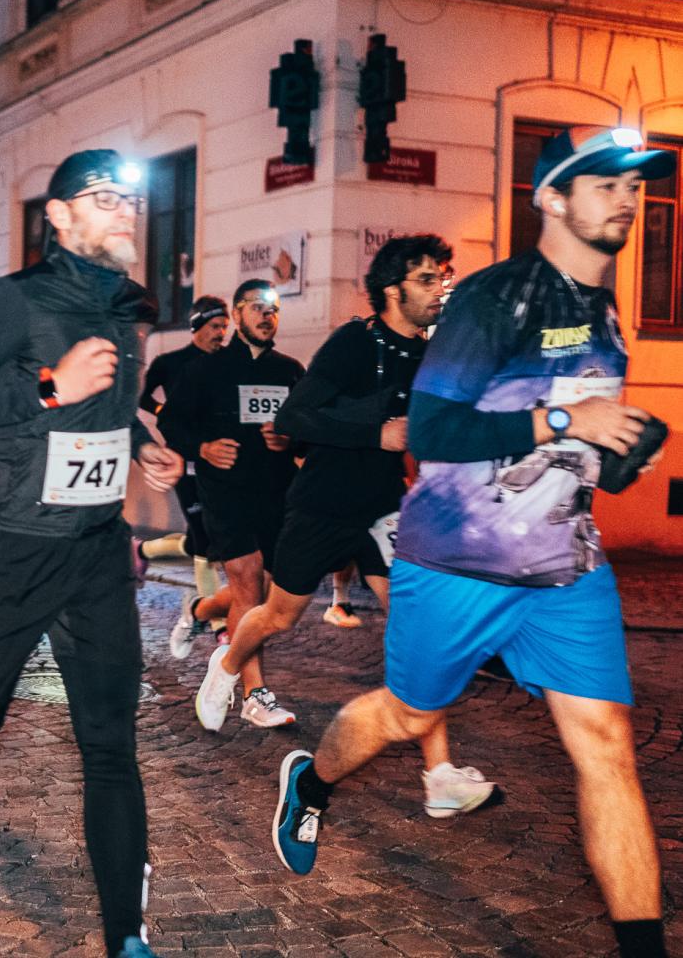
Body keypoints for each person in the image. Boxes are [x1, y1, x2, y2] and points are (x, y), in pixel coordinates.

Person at [271, 127, 673, 958]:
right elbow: (432, 430)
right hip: (458, 564)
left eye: (634, 187)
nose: (627, 201)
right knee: (408, 715)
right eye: (605, 185)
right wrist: (564, 417)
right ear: (551, 198)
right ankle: (310, 781)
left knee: (607, 749)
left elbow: (578, 451)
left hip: (565, 567)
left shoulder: (600, 310)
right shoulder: (496, 298)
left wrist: (624, 449)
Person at [0, 150, 183, 958]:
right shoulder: (14, 300)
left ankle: (127, 939)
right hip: (10, 548)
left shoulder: (124, 307)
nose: (123, 209)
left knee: (110, 744)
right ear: (57, 215)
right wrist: (50, 388)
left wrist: (141, 444)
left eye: (129, 197)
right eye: (103, 196)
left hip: (96, 550)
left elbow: (108, 409)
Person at [195, 235, 498, 815]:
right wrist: (374, 433)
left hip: (385, 507)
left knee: (417, 626)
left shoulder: (431, 353)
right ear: (393, 290)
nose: (440, 289)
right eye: (427, 280)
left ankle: (439, 776)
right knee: (279, 615)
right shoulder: (353, 344)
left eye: (443, 278)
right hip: (322, 504)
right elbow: (295, 416)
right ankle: (228, 664)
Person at [173, 280, 304, 728]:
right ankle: (254, 694)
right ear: (237, 314)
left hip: (277, 492)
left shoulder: (290, 371)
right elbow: (172, 424)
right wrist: (202, 448)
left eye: (274, 309)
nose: (267, 316)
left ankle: (200, 610)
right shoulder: (206, 370)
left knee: (264, 591)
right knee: (248, 581)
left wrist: (290, 439)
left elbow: (308, 430)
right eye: (258, 307)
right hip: (225, 492)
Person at [137, 295, 232, 656]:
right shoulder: (171, 362)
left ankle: (140, 549)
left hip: (217, 461)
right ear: (197, 326)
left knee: (198, 541)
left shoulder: (227, 363)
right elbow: (143, 397)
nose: (221, 333)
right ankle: (218, 624)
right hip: (182, 458)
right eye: (215, 326)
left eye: (224, 327)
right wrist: (168, 410)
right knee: (204, 539)